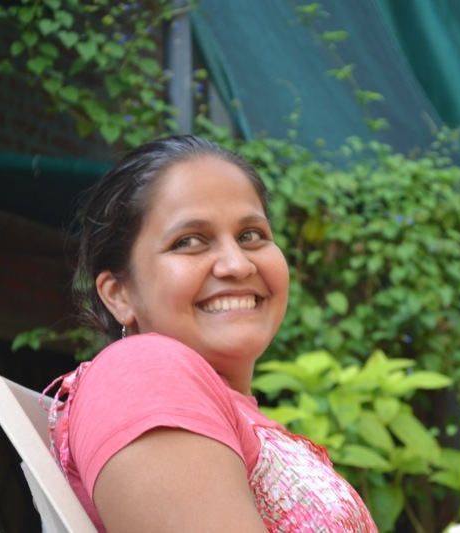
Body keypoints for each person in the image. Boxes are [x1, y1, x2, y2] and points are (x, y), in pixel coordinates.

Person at [46, 135, 378, 532]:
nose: (237, 265)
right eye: (189, 242)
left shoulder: (232, 412)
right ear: (120, 294)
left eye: (250, 235)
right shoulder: (142, 374)